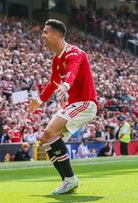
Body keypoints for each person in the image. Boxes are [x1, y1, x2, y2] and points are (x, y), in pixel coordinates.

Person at [27, 19, 98, 194]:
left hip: (86, 103)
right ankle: (68, 180)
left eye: (46, 32)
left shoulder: (75, 53)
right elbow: (53, 83)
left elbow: (71, 72)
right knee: (46, 138)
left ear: (57, 35)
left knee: (50, 133)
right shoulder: (56, 60)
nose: (42, 36)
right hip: (73, 104)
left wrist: (66, 85)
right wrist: (39, 100)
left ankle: (71, 179)